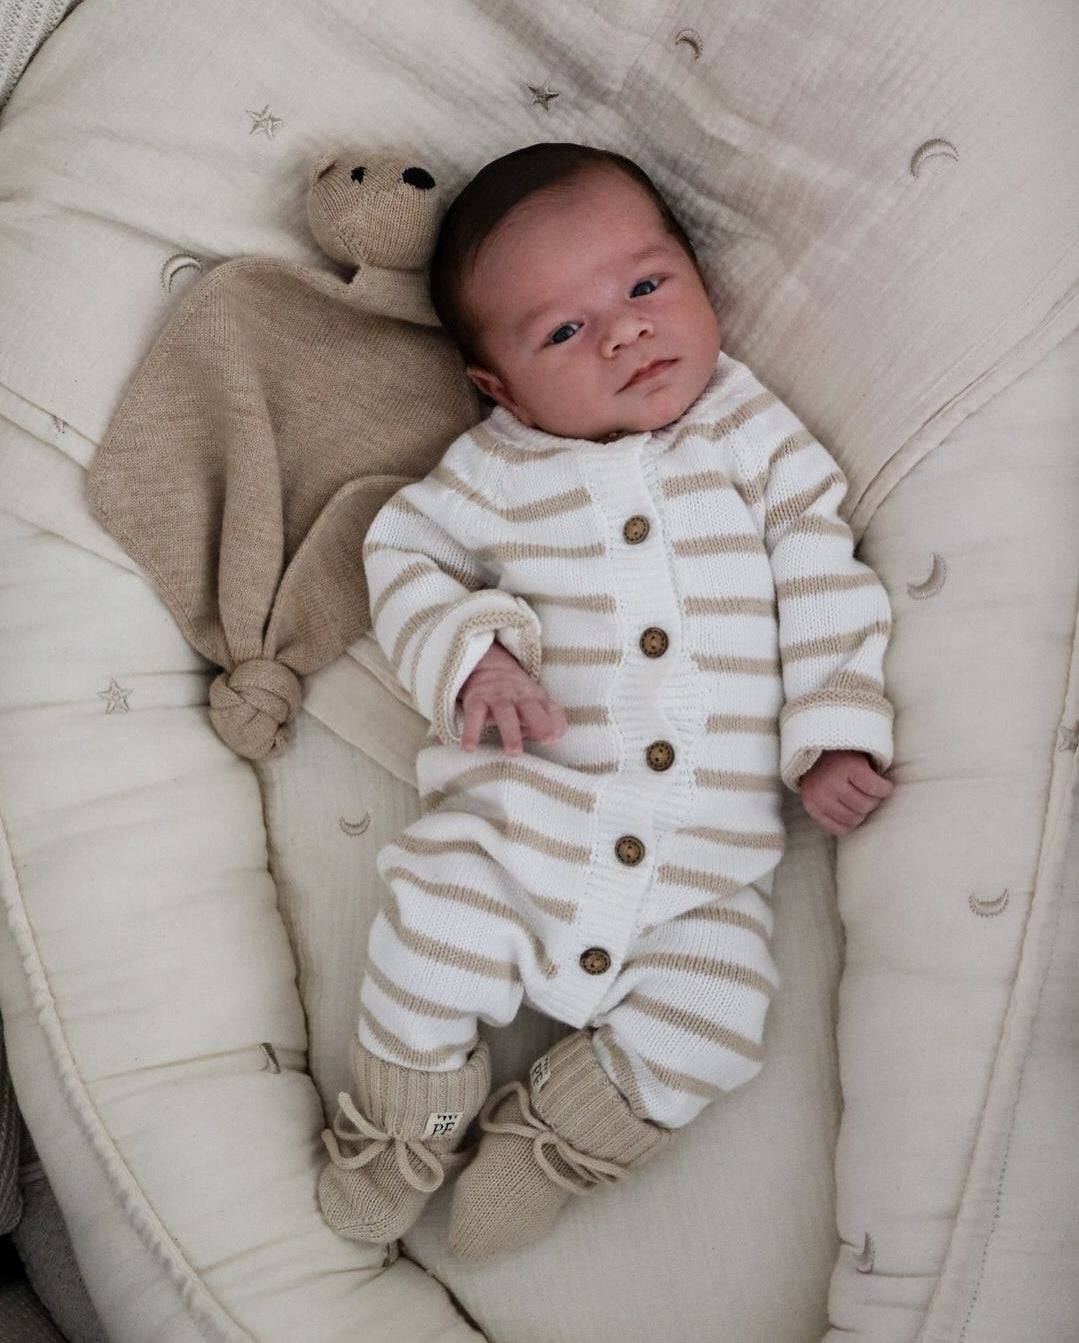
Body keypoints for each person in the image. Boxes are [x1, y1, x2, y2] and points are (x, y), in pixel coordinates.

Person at [317, 142, 896, 1260]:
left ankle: (554, 1141)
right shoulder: (489, 473)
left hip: (701, 866)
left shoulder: (752, 436)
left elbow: (819, 567)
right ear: (499, 387)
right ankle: (403, 1123)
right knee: (430, 928)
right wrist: (475, 656)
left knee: (716, 1017)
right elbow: (401, 557)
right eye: (563, 331)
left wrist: (832, 725)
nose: (624, 333)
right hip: (517, 824)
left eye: (643, 285)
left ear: (696, 279)